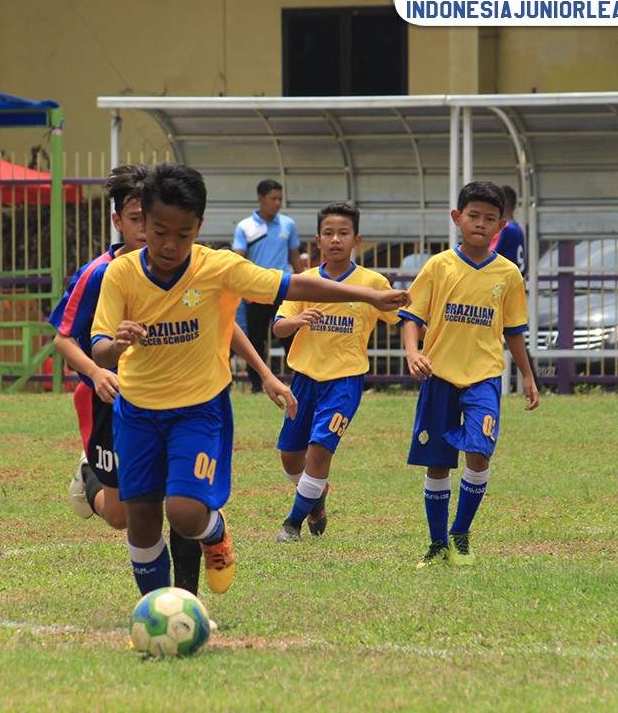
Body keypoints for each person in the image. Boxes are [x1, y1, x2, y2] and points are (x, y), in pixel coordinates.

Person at [90, 162, 407, 597]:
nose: (169, 244)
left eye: (183, 235)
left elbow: (296, 286)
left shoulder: (217, 267)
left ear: (198, 227)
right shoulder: (120, 275)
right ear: (142, 221)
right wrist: (117, 343)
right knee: (141, 521)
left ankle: (214, 531)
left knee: (184, 512)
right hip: (138, 412)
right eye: (160, 231)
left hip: (197, 410)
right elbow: (98, 348)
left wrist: (370, 294)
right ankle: (162, 611)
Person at [51, 164, 298, 596]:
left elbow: (221, 325)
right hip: (115, 401)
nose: (157, 239)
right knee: (124, 515)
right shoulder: (103, 274)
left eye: (177, 231)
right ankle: (89, 475)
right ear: (127, 221)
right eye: (142, 224)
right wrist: (97, 371)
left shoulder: (193, 267)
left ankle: (182, 602)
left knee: (183, 503)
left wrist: (264, 373)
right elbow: (67, 338)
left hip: (186, 401)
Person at [400, 181, 539, 569]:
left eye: (489, 218)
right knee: (438, 462)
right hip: (439, 376)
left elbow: (513, 331)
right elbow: (411, 318)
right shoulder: (439, 266)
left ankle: (461, 533)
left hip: (483, 378)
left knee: (478, 452)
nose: (480, 223)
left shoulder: (508, 274)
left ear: (501, 226)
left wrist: (527, 375)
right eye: (473, 216)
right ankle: (437, 543)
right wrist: (414, 353)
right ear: (457, 218)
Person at [271, 202, 401, 542]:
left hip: (344, 382)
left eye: (343, 233)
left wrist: (424, 348)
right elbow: (278, 327)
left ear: (356, 239)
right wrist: (295, 322)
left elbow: (404, 318)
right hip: (303, 382)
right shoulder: (304, 281)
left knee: (319, 450)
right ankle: (316, 500)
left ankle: (292, 524)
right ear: (317, 240)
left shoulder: (371, 283)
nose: (335, 240)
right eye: (328, 233)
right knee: (290, 457)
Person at [233, 179, 304, 393]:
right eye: (273, 198)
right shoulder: (245, 226)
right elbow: (238, 260)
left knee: (290, 336)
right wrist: (243, 290)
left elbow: (295, 257)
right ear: (261, 199)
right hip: (255, 291)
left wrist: (303, 286)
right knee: (255, 339)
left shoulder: (288, 225)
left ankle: (299, 380)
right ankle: (256, 383)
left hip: (283, 290)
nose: (277, 203)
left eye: (280, 199)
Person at [490, 184, 526, 278]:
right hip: (516, 281)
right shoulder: (517, 229)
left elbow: (487, 257)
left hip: (503, 283)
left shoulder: (504, 229)